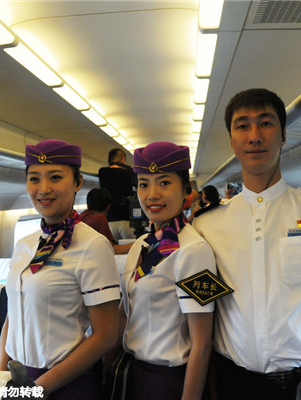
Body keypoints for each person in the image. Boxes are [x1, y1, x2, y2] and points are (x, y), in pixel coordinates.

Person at [192, 89, 301, 399]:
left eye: (266, 123)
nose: (254, 136)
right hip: (235, 383)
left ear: (283, 135)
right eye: (242, 126)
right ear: (232, 140)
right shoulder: (205, 225)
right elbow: (205, 313)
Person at [0, 139, 120, 399]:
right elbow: (14, 313)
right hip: (17, 380)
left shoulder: (93, 245)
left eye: (55, 177)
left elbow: (107, 335)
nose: (43, 189)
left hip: (68, 382)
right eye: (34, 179)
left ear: (77, 182)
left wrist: (39, 388)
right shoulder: (24, 244)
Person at [118, 141, 216, 400]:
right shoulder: (141, 245)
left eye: (163, 182)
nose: (151, 194)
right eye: (143, 184)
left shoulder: (195, 251)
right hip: (135, 375)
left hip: (171, 382)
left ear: (186, 190)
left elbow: (202, 342)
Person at [80, 187, 133, 254]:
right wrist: (136, 245)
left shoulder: (81, 217)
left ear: (87, 204)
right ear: (108, 206)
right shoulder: (99, 219)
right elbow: (110, 249)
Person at [98, 148, 137, 240]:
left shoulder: (102, 172)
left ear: (108, 161)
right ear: (123, 160)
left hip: (110, 221)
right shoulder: (130, 173)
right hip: (127, 219)